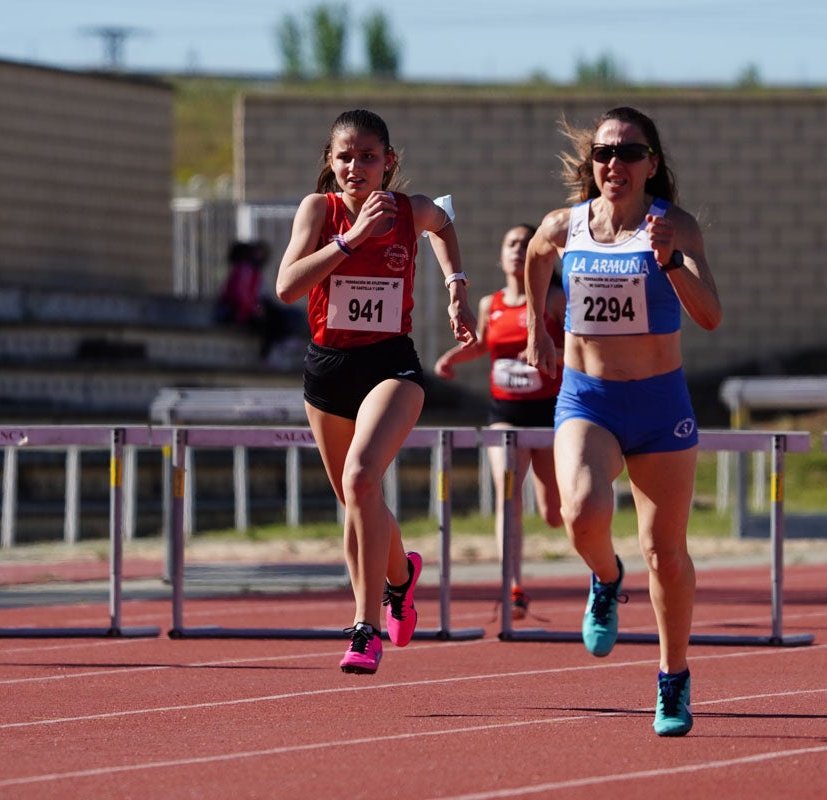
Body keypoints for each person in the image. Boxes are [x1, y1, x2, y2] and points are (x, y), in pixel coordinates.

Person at [523, 106, 723, 736]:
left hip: (661, 406)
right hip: (590, 399)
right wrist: (538, 329)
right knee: (580, 510)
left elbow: (711, 315)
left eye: (630, 154)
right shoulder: (568, 224)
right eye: (604, 154)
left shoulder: (676, 227)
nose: (615, 165)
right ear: (593, 164)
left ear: (651, 165)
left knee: (665, 553)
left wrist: (669, 262)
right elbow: (535, 252)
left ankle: (673, 679)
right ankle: (606, 578)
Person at [275, 108, 477, 675]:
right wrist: (352, 238)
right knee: (355, 499)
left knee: (362, 477)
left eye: (368, 156)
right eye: (345, 157)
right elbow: (287, 287)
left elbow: (445, 225)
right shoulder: (320, 211)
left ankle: (365, 628)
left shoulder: (410, 211)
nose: (356, 166)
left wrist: (456, 288)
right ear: (330, 162)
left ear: (389, 162)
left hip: (391, 365)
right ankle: (402, 576)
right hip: (328, 370)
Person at [433, 223, 565, 619]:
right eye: (511, 244)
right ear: (501, 256)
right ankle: (513, 586)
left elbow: (580, 347)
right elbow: (484, 343)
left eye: (527, 244)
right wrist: (451, 358)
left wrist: (549, 350)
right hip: (504, 415)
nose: (518, 250)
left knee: (555, 511)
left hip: (550, 413)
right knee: (508, 499)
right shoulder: (492, 303)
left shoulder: (555, 299)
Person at [214, 239, 292, 360]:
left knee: (276, 313)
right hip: (236, 312)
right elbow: (242, 296)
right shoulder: (245, 269)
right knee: (270, 320)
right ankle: (268, 354)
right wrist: (256, 311)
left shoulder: (252, 271)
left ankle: (276, 347)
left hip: (243, 310)